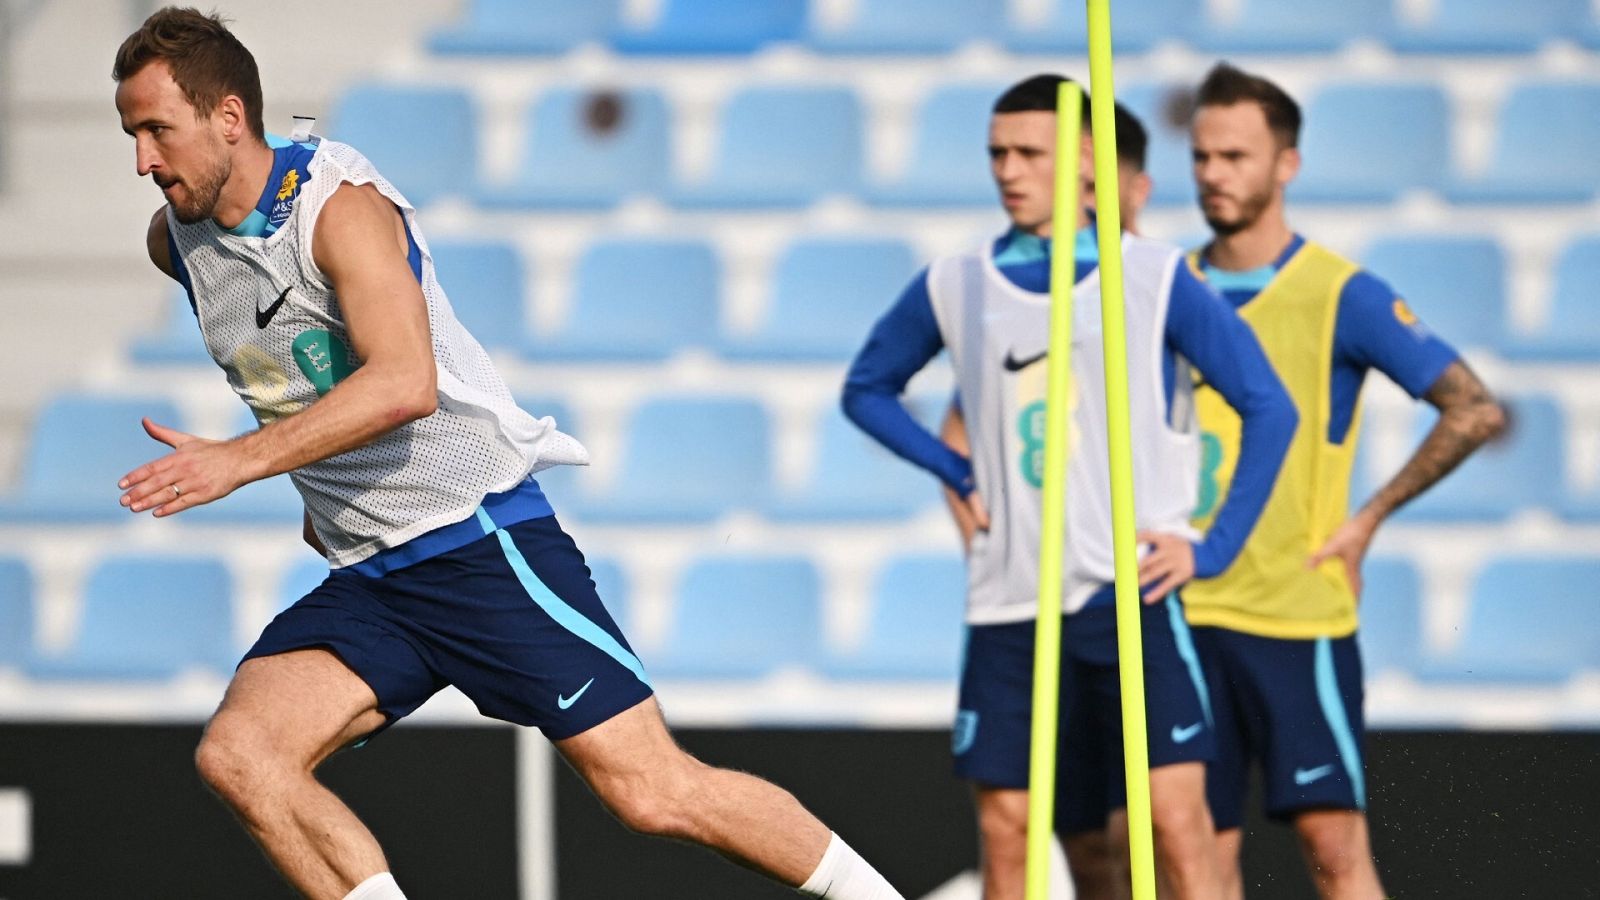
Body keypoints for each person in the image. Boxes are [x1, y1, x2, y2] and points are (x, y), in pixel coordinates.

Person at [110, 9, 903, 900]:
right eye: (132, 135)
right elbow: (289, 362)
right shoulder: (174, 239)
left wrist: (241, 461)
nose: (143, 159)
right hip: (374, 574)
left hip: (478, 540)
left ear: (228, 116)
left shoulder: (340, 210)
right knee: (243, 755)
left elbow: (405, 380)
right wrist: (313, 490)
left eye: (156, 130)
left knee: (652, 792)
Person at [842, 73, 1298, 900]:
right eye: (996, 154)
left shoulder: (1152, 277)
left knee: (1172, 825)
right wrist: (954, 468)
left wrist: (1213, 545)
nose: (1008, 170)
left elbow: (1270, 407)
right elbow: (866, 389)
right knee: (1011, 829)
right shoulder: (958, 281)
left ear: (1087, 161)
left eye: (1029, 153)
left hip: (1132, 598)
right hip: (1010, 603)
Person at [1181, 62, 1507, 900]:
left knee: (1333, 851)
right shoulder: (1165, 289)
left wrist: (1367, 519)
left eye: (1236, 156)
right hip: (1179, 612)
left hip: (1294, 614)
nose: (1215, 174)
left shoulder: (1340, 295)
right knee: (1195, 858)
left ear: (1286, 164)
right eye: (1203, 156)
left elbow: (1471, 408)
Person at [934, 96, 1155, 896]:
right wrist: (988, 536)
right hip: (1037, 607)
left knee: (1156, 833)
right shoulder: (1022, 296)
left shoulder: (1156, 291)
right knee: (1073, 839)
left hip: (1141, 604)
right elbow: (961, 425)